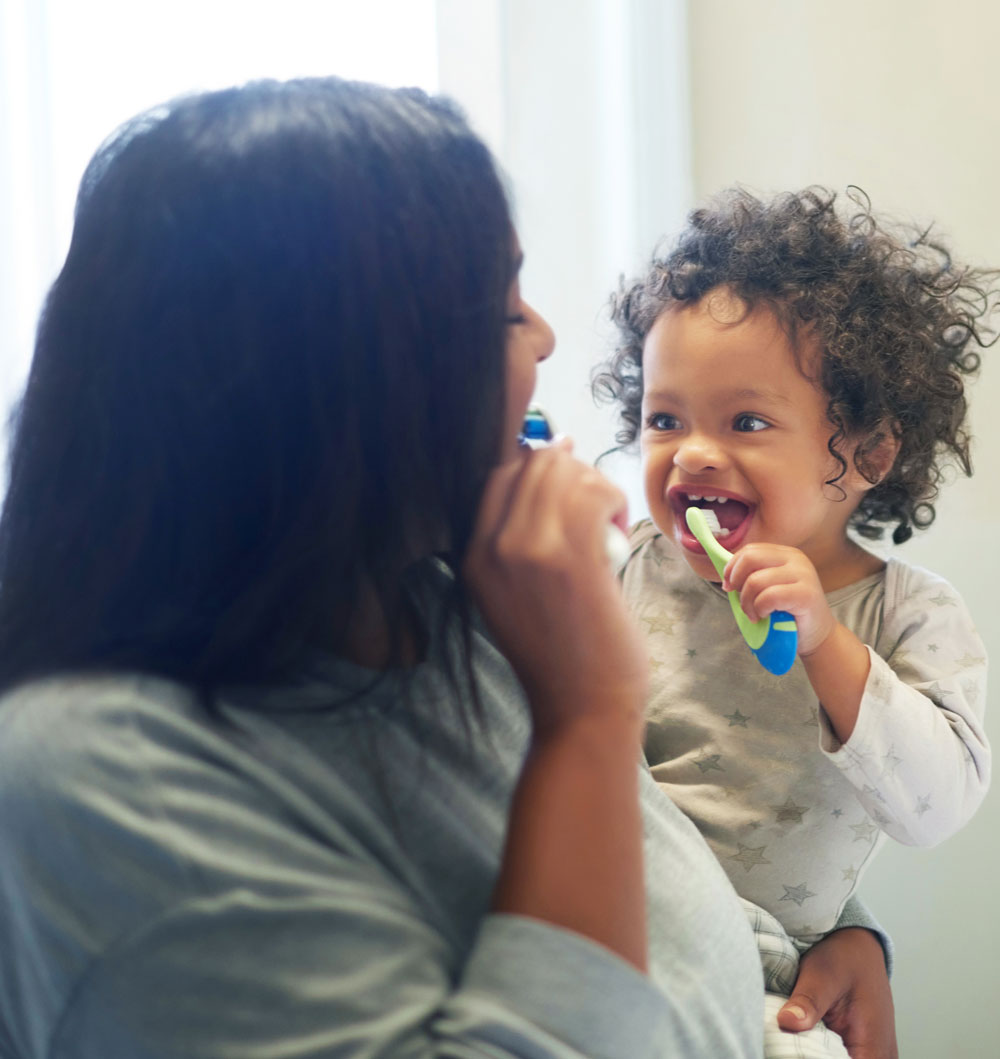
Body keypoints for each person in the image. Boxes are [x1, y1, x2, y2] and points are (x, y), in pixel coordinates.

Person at [0, 83, 895, 1059]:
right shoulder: (98, 783)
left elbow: (655, 849)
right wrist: (586, 713)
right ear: (349, 377)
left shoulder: (441, 602)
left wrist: (830, 933)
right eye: (503, 310)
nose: (547, 338)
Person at [594, 185, 992, 982]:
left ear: (870, 455)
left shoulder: (908, 615)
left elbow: (937, 807)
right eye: (665, 419)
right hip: (621, 929)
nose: (693, 453)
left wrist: (826, 642)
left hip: (775, 969)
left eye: (746, 422)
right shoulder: (634, 569)